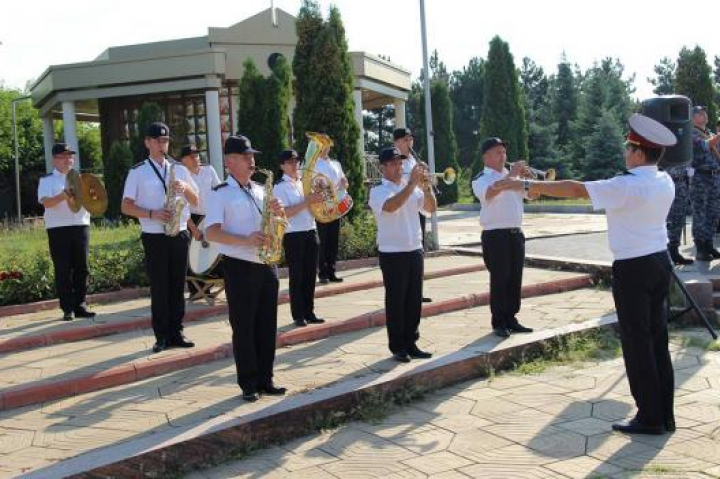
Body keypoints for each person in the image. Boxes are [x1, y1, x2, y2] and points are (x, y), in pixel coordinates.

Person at [491, 113, 677, 435]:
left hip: (634, 268)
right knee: (658, 340)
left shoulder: (627, 185)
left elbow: (576, 189)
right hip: (660, 262)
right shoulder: (664, 180)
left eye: (626, 146)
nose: (623, 151)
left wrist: (525, 184)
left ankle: (649, 417)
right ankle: (665, 415)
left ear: (636, 152)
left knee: (637, 343)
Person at [205, 135, 287, 402]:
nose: (252, 161)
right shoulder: (220, 193)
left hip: (266, 265)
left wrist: (278, 213)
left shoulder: (262, 190)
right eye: (245, 156)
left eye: (252, 156)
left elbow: (275, 223)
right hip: (239, 267)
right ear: (230, 162)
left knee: (267, 325)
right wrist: (245, 240)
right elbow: (212, 233)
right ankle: (249, 383)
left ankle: (266, 378)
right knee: (244, 327)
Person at [121, 122, 199, 353]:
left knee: (177, 285)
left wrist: (185, 187)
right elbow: (125, 206)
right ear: (147, 142)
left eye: (165, 140)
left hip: (179, 232)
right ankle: (162, 335)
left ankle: (177, 331)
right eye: (157, 140)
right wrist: (152, 214)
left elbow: (196, 201)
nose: (161, 144)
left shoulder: (180, 169)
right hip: (154, 235)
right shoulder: (137, 171)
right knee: (160, 286)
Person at [369, 147, 437, 363]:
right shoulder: (378, 190)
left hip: (414, 249)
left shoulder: (413, 188)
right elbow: (390, 207)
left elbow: (431, 209)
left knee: (414, 300)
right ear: (383, 168)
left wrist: (426, 188)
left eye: (401, 163)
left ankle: (412, 342)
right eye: (395, 163)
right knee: (396, 300)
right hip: (392, 252)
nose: (400, 167)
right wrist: (411, 184)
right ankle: (398, 346)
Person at [471, 138, 537, 338]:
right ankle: (499, 321)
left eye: (504, 152)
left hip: (516, 233)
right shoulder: (481, 178)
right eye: (498, 152)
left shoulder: (512, 176)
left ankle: (511, 318)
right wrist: (515, 175)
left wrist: (532, 181)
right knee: (500, 278)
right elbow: (490, 193)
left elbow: (533, 196)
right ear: (486, 156)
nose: (503, 156)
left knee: (515, 278)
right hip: (495, 235)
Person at [37, 143, 96, 321]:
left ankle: (80, 305)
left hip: (81, 225)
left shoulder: (82, 179)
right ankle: (67, 308)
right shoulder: (47, 180)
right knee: (63, 269)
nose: (68, 159)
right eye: (63, 156)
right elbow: (46, 203)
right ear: (55, 159)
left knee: (82, 267)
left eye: (70, 156)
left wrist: (93, 195)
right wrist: (64, 195)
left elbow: (93, 201)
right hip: (58, 229)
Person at [273, 149, 326, 328]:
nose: (295, 165)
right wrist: (307, 202)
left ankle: (309, 312)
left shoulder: (304, 183)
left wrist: (319, 196)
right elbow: (284, 213)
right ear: (282, 166)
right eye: (290, 162)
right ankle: (298, 314)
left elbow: (312, 206)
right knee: (297, 276)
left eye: (296, 161)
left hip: (310, 230)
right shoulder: (279, 187)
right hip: (293, 234)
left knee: (311, 275)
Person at [394, 127, 432, 303]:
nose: (410, 143)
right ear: (397, 142)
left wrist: (425, 174)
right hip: (402, 210)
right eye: (405, 140)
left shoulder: (415, 161)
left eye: (411, 139)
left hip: (418, 207)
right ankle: (404, 292)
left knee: (419, 249)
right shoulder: (394, 162)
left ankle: (418, 290)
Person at [180, 145, 222, 299]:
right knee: (194, 254)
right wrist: (193, 228)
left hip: (210, 215)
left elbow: (219, 190)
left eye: (197, 155)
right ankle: (195, 290)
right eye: (191, 156)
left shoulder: (209, 170)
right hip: (193, 217)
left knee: (211, 252)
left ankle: (208, 288)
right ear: (183, 160)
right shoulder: (182, 176)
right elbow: (181, 206)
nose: (195, 159)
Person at [313, 140, 348, 284]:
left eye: (327, 145)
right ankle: (322, 273)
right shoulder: (313, 164)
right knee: (322, 240)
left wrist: (345, 182)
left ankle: (332, 271)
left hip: (336, 205)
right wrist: (318, 186)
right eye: (322, 145)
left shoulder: (336, 164)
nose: (325, 148)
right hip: (322, 206)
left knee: (333, 240)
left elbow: (344, 180)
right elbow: (309, 183)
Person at [689, 105, 720, 261]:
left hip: (714, 177)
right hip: (700, 177)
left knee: (713, 212)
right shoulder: (692, 133)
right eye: (700, 113)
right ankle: (700, 247)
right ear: (693, 117)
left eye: (705, 113)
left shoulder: (711, 134)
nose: (705, 115)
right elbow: (705, 145)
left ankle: (708, 243)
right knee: (700, 212)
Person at [665, 164, 693, 265]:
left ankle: (674, 251)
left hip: (682, 184)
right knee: (668, 220)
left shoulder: (685, 148)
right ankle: (665, 252)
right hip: (666, 183)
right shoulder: (666, 147)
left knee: (679, 219)